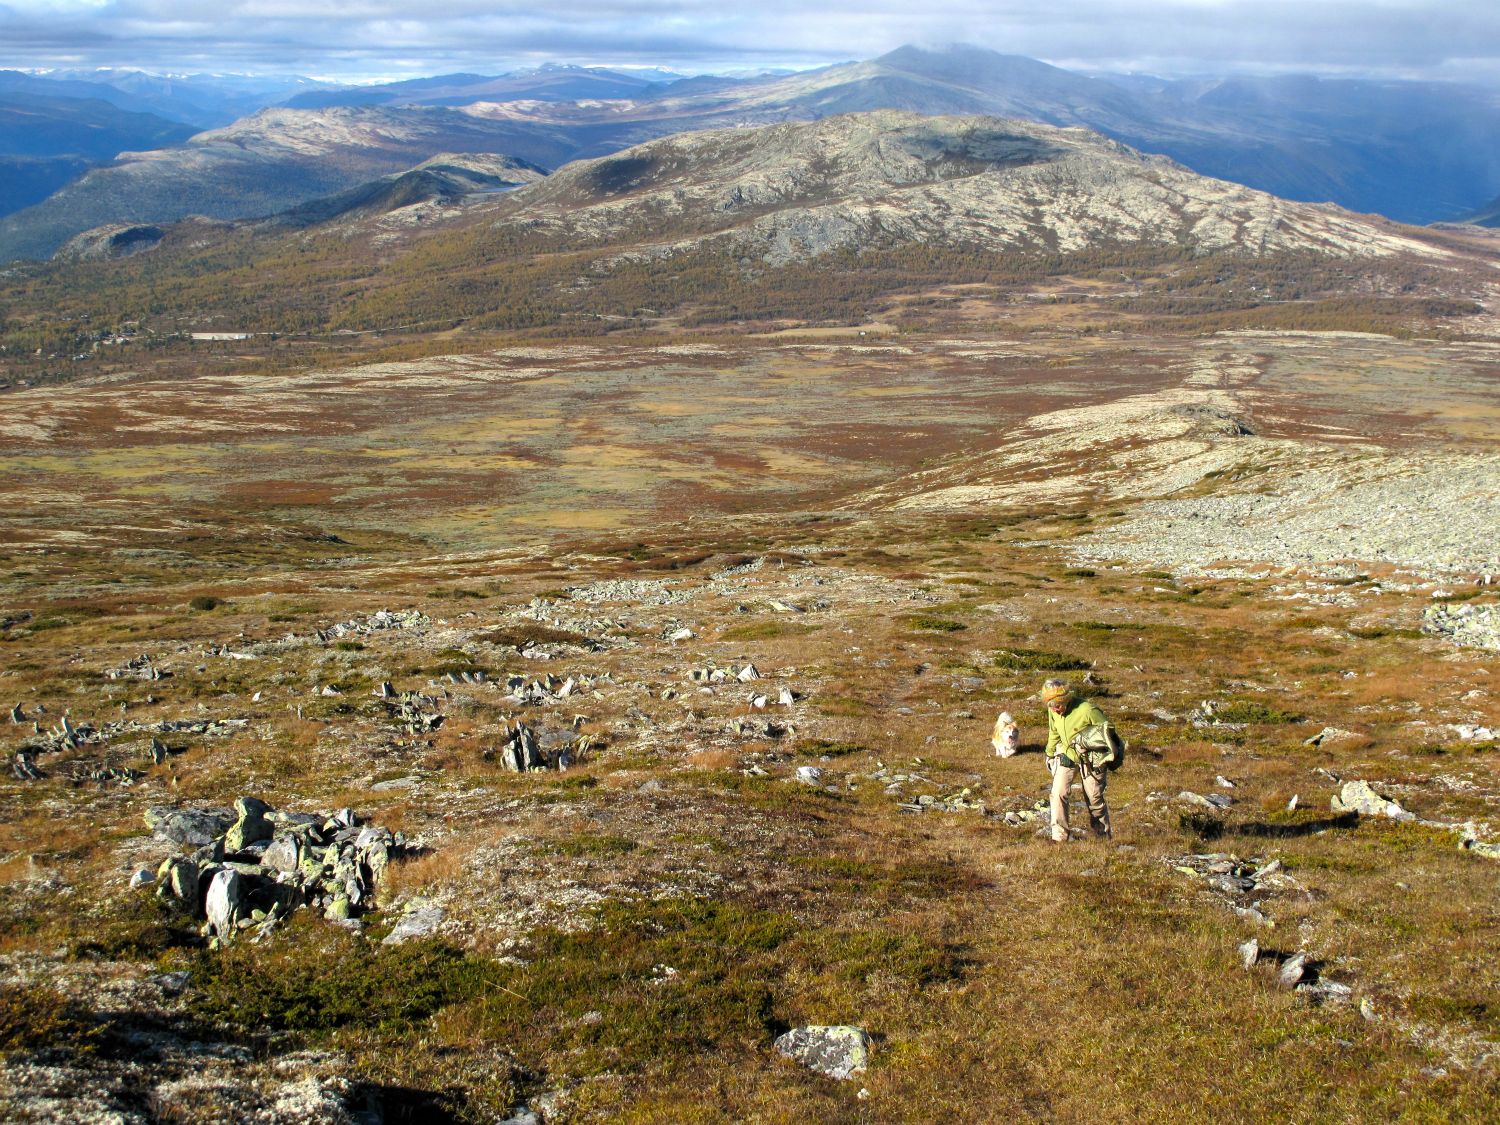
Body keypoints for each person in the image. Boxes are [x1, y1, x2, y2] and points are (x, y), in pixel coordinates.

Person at [1040, 678, 1112, 842]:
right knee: (1058, 793)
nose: (1056, 710)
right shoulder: (1052, 710)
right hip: (1066, 754)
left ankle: (1102, 836)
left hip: (1092, 758)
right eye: (1051, 706)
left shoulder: (1087, 710)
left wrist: (1093, 747)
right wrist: (1049, 753)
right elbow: (1054, 732)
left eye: (1058, 706)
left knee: (1094, 798)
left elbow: (1108, 731)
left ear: (1066, 699)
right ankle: (1059, 837)